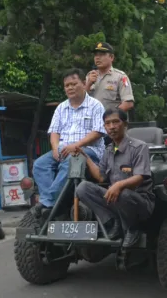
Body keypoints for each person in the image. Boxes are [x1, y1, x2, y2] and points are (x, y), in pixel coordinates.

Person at [75, 109, 155, 248]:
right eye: (107, 123)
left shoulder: (139, 147)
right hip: (116, 200)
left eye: (116, 122)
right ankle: (113, 222)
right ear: (105, 127)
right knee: (82, 188)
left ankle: (132, 228)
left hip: (139, 202)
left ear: (125, 124)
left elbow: (140, 177)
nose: (111, 126)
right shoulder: (109, 150)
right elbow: (100, 177)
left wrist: (119, 185)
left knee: (122, 192)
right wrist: (85, 156)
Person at [32, 68, 106, 217]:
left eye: (74, 83)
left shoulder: (96, 105)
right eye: (67, 85)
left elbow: (98, 132)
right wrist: (54, 148)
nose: (70, 88)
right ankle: (52, 202)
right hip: (63, 149)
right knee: (39, 164)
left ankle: (48, 203)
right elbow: (54, 132)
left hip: (88, 151)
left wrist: (76, 146)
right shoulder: (61, 107)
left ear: (84, 83)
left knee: (72, 161)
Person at [85, 42, 135, 113]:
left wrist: (110, 117)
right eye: (96, 55)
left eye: (101, 54)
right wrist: (88, 84)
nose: (97, 57)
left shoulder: (121, 77)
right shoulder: (89, 76)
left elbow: (128, 103)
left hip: (112, 122)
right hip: (92, 121)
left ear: (111, 57)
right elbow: (80, 101)